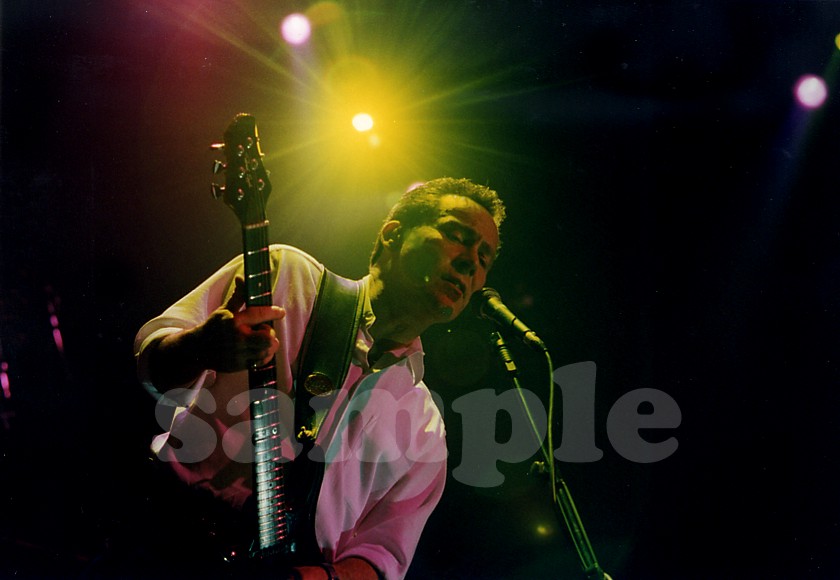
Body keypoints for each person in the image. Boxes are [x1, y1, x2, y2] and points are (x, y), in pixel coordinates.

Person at [133, 177, 506, 580]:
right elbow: (150, 369)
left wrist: (327, 577)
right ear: (393, 234)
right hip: (163, 540)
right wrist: (200, 347)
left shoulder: (426, 427)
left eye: (484, 258)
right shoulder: (288, 277)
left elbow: (382, 555)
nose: (471, 262)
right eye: (457, 236)